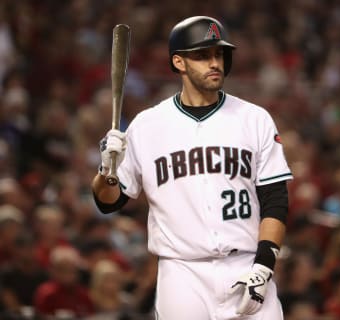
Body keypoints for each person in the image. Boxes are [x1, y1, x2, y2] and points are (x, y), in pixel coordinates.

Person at [91, 16, 292, 320]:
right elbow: (109, 201)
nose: (214, 63)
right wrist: (107, 171)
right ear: (179, 62)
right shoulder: (147, 125)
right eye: (202, 55)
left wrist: (264, 264)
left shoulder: (255, 118)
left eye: (219, 54)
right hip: (182, 273)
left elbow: (275, 199)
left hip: (246, 264)